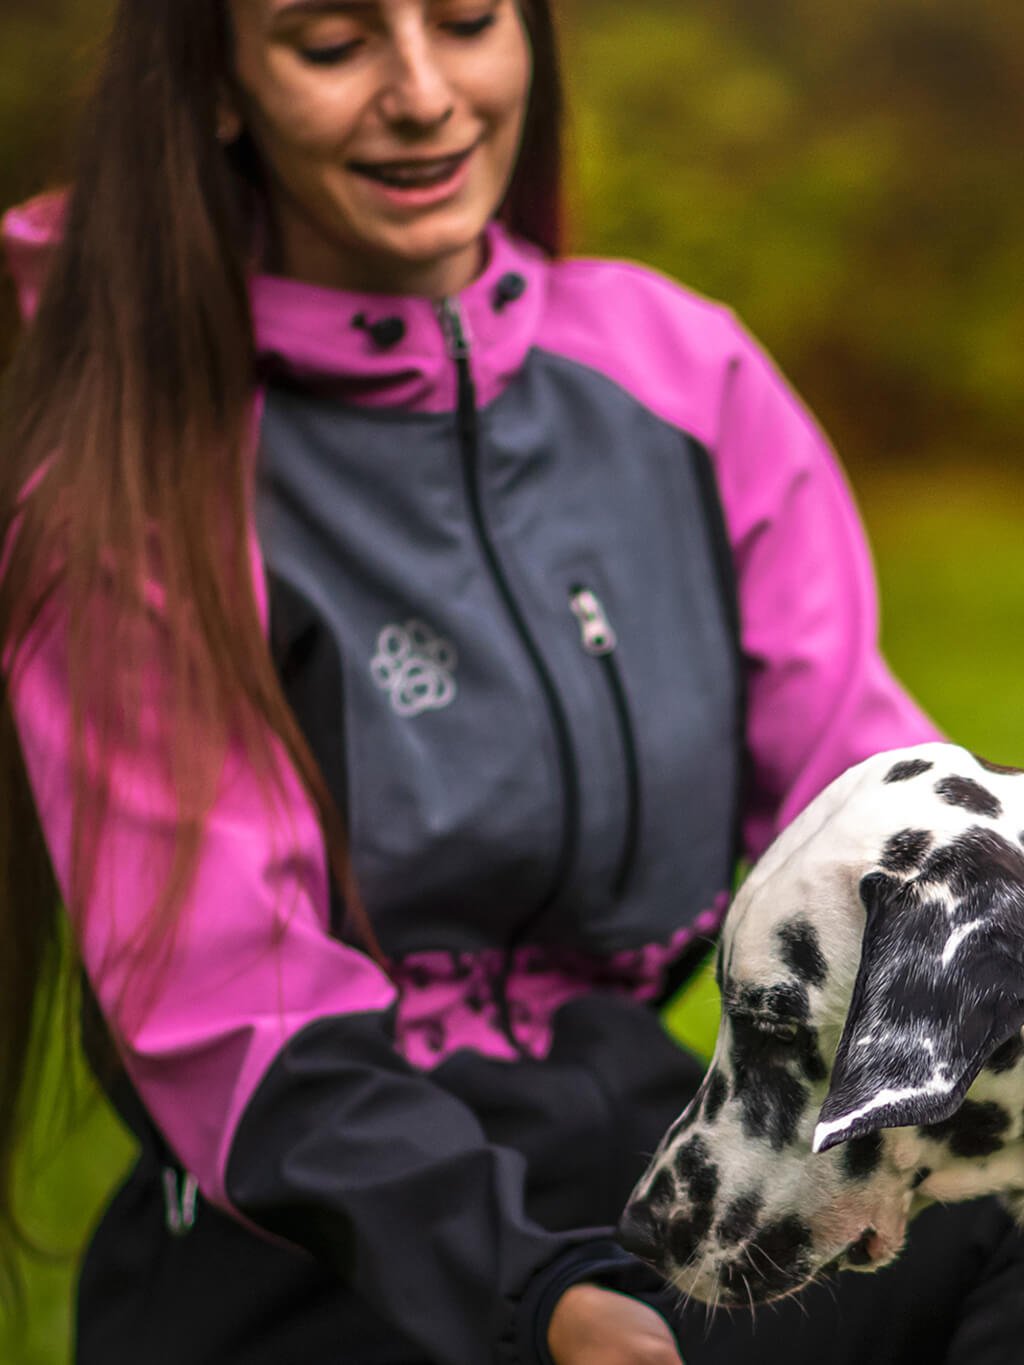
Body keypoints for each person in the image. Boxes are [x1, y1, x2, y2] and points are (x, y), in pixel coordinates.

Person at [0, 2, 1022, 1363]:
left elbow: (876, 810)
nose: (424, 93)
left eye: (469, 20)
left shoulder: (688, 376)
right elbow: (232, 1014)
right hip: (327, 1238)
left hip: (647, 1140)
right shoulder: (134, 483)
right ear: (223, 86)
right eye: (333, 42)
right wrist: (532, 1293)